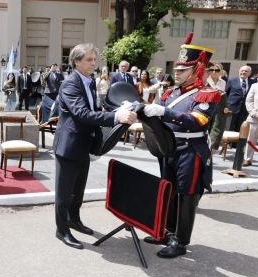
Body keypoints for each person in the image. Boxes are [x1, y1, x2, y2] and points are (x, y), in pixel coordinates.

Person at [53, 44, 137, 249]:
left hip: (84, 144)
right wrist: (115, 117)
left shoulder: (89, 81)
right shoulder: (70, 84)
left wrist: (114, 108)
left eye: (94, 59)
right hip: (69, 146)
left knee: (78, 190)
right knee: (64, 193)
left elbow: (93, 108)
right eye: (89, 60)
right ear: (76, 62)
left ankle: (74, 219)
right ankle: (62, 230)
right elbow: (82, 114)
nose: (94, 63)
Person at [142, 38, 220, 258]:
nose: (176, 73)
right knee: (170, 193)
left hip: (190, 150)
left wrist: (164, 113)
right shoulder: (172, 93)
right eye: (176, 68)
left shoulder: (206, 93)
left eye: (183, 69)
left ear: (197, 70)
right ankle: (167, 233)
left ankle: (181, 241)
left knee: (187, 196)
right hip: (170, 149)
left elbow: (197, 120)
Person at [225, 65, 257, 134]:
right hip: (232, 109)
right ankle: (227, 143)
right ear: (239, 72)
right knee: (229, 128)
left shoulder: (254, 83)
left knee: (240, 129)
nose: (243, 72)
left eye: (246, 71)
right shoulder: (231, 80)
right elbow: (225, 94)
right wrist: (225, 106)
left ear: (249, 73)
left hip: (245, 109)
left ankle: (236, 144)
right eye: (242, 71)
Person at [207, 63, 228, 155]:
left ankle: (212, 146)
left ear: (221, 72)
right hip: (207, 107)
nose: (214, 72)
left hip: (218, 108)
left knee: (216, 127)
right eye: (212, 70)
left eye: (217, 70)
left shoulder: (223, 82)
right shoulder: (206, 81)